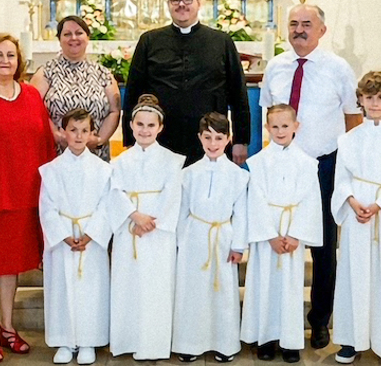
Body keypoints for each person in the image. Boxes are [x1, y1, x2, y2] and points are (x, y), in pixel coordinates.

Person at [259, 4, 363, 348]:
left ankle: (319, 320)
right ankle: (274, 321)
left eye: (307, 24)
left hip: (323, 166)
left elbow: (353, 119)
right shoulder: (275, 66)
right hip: (282, 167)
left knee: (322, 246)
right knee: (276, 240)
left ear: (322, 30)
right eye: (293, 24)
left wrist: (349, 167)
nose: (299, 30)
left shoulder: (338, 68)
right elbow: (268, 117)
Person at [0, 33, 55, 363]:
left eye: (10, 55)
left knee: (8, 264)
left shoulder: (30, 95)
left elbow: (44, 143)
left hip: (23, 192)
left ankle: (7, 325)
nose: (4, 61)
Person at [123, 0, 250, 166]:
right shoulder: (149, 41)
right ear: (168, 4)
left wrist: (241, 140)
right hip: (160, 139)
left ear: (199, 3)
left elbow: (239, 94)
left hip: (210, 139)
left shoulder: (221, 41)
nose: (181, 4)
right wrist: (130, 139)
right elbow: (133, 92)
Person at [39, 109, 130, 365]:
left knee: (91, 289)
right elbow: (46, 207)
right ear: (63, 132)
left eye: (84, 131)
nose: (78, 136)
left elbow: (107, 204)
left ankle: (89, 340)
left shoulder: (104, 170)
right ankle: (65, 340)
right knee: (62, 288)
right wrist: (64, 235)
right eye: (73, 130)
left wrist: (91, 234)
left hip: (91, 239)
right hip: (64, 241)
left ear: (92, 133)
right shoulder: (51, 170)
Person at [240, 105, 322, 363]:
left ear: (296, 126)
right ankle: (265, 339)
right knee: (263, 285)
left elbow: (311, 200)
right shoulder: (258, 162)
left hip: (292, 234)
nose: (280, 131)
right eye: (274, 126)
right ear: (267, 128)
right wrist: (270, 235)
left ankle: (289, 342)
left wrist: (296, 235)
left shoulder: (308, 163)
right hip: (268, 237)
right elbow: (255, 199)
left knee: (290, 288)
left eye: (285, 126)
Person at [109, 94, 185, 360]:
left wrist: (152, 223)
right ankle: (127, 339)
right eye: (139, 124)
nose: (144, 130)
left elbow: (172, 196)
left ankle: (154, 344)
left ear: (160, 127)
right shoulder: (119, 162)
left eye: (151, 125)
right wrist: (134, 216)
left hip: (157, 234)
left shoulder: (173, 161)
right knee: (129, 286)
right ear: (130, 125)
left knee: (156, 288)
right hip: (129, 230)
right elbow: (115, 192)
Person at [172, 112, 249, 363]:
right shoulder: (188, 173)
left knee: (222, 291)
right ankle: (190, 343)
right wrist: (181, 241)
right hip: (194, 236)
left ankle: (224, 343)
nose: (213, 143)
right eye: (207, 137)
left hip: (223, 236)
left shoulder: (239, 175)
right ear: (199, 138)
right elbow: (182, 210)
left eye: (218, 138)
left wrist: (238, 245)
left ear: (228, 139)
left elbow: (241, 213)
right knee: (193, 290)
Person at [331, 71, 381, 364]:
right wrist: (351, 201)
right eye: (370, 97)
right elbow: (342, 179)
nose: (375, 104)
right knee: (354, 275)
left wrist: (377, 204)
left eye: (380, 98)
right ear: (360, 99)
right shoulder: (349, 139)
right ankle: (351, 339)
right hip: (356, 214)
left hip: (378, 211)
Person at [31, 15, 121, 161]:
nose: (73, 38)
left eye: (79, 33)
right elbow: (33, 108)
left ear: (87, 37)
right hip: (57, 153)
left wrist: (99, 140)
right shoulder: (46, 72)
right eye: (67, 34)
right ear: (59, 39)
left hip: (95, 156)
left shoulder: (103, 73)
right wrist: (57, 136)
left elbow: (114, 111)